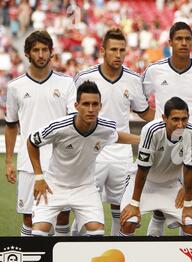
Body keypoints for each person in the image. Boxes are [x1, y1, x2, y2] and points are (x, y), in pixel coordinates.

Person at [27, 81, 139, 237]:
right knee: (39, 232)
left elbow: (116, 136)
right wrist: (39, 177)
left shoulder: (105, 127)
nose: (91, 109)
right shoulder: (59, 127)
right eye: (86, 104)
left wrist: (142, 140)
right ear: (76, 105)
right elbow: (32, 141)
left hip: (85, 188)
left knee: (96, 231)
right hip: (54, 186)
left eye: (95, 104)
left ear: (100, 106)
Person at [73, 28, 153, 236]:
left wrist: (172, 118)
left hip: (122, 153)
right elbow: (72, 112)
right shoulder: (85, 77)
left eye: (122, 50)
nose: (118, 55)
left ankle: (118, 252)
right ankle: (76, 251)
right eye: (113, 50)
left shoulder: (133, 80)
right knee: (86, 207)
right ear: (102, 50)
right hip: (92, 152)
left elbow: (145, 113)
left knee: (122, 210)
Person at [142, 21, 192, 236]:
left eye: (187, 39)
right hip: (163, 145)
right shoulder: (154, 70)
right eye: (179, 39)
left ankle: (183, 259)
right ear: (170, 42)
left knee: (189, 204)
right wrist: (157, 122)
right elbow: (140, 103)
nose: (183, 43)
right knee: (159, 210)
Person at [5, 30, 75, 237]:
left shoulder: (67, 83)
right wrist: (9, 160)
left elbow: (73, 123)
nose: (41, 54)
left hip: (60, 163)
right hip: (28, 163)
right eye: (36, 50)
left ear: (52, 53)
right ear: (27, 53)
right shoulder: (15, 87)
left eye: (45, 50)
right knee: (29, 217)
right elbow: (10, 125)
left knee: (62, 216)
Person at [119, 97, 192, 236]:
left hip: (170, 184)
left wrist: (188, 203)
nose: (180, 124)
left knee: (191, 224)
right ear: (164, 118)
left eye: (184, 119)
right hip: (143, 183)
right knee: (128, 222)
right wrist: (134, 203)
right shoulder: (151, 130)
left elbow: (190, 168)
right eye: (175, 119)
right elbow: (143, 169)